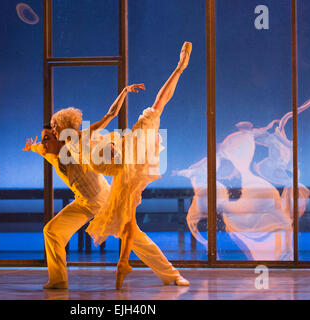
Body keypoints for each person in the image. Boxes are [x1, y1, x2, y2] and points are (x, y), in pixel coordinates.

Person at [23, 77, 190, 289]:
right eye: (45, 137)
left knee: (135, 238)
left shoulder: (77, 142)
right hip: (82, 203)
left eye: (49, 135)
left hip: (104, 200)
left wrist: (124, 92)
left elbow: (109, 115)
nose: (45, 142)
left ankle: (172, 275)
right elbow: (39, 147)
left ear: (60, 133)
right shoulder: (50, 153)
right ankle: (58, 280)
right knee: (52, 231)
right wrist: (31, 147)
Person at [82, 42, 192, 289]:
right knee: (129, 227)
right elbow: (103, 156)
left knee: (129, 227)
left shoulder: (94, 148)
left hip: (127, 162)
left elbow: (110, 115)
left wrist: (123, 92)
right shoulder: (94, 154)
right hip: (127, 167)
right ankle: (133, 265)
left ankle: (128, 265)